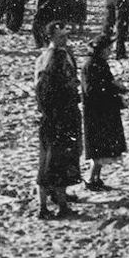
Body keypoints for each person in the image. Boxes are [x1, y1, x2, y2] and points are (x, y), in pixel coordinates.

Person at [34, 20, 83, 218]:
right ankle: (59, 204)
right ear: (52, 37)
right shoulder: (55, 59)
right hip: (60, 114)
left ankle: (49, 202)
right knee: (56, 160)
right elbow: (48, 88)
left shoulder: (47, 57)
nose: (65, 39)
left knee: (47, 160)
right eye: (61, 36)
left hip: (52, 115)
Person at [79, 35, 127, 191]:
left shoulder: (100, 64)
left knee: (103, 149)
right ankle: (90, 178)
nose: (110, 51)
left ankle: (96, 178)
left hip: (104, 110)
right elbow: (90, 90)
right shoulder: (90, 66)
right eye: (108, 49)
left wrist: (114, 87)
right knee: (98, 150)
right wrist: (112, 87)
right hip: (96, 112)